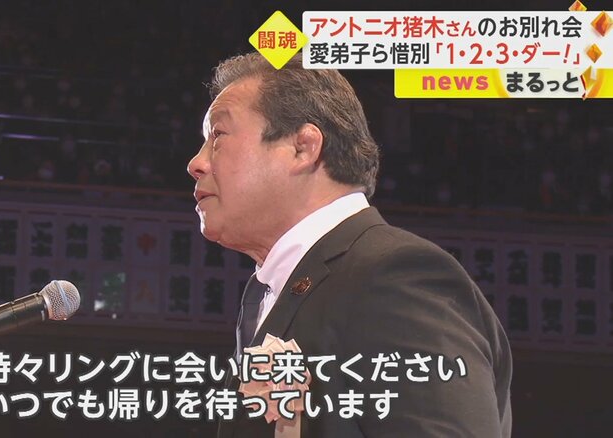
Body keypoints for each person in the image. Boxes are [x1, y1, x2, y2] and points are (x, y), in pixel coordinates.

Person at [187, 52, 512, 437]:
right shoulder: (279, 288)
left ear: (302, 148)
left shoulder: (393, 277)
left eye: (218, 136)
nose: (196, 163)